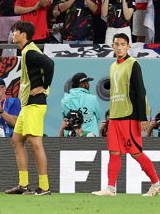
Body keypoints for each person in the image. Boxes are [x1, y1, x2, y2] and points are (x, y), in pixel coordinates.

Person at [92, 33, 160, 197]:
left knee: (136, 152)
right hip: (115, 117)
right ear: (112, 46)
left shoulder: (134, 64)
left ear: (128, 46)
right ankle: (110, 188)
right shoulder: (113, 66)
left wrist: (142, 117)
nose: (119, 47)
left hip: (129, 116)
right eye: (116, 44)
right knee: (114, 152)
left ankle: (157, 183)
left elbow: (140, 91)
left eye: (122, 44)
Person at [6, 20, 53, 195]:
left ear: (23, 34)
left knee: (35, 144)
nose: (12, 34)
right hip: (27, 105)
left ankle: (44, 187)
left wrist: (44, 86)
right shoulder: (27, 51)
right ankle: (24, 185)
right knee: (17, 141)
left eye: (14, 31)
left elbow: (50, 64)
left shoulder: (31, 51)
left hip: (35, 104)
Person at [60, 73, 102, 137]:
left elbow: (66, 119)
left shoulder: (65, 100)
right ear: (82, 84)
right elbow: (98, 116)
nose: (89, 85)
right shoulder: (92, 98)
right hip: (91, 138)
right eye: (87, 83)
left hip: (72, 138)